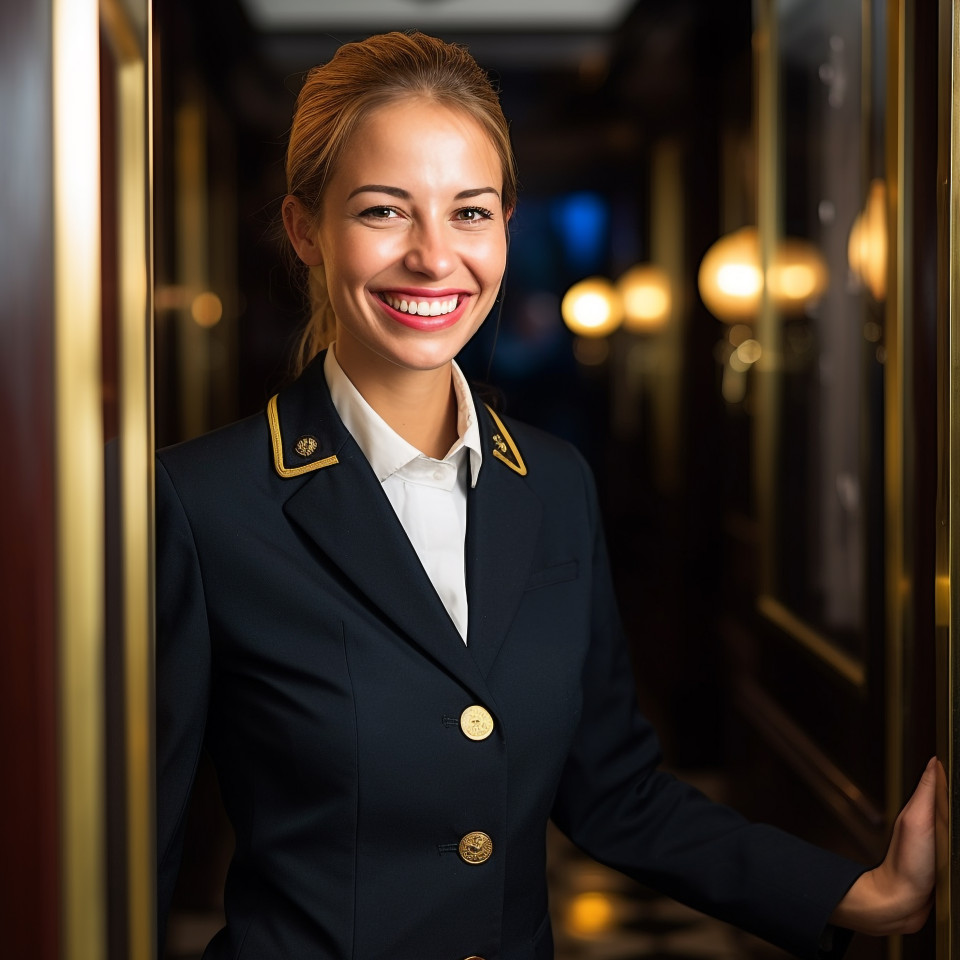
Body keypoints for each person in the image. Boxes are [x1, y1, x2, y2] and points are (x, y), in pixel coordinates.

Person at [156, 30, 936, 960]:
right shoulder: (200, 504)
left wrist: (860, 890)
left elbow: (615, 793)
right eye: (383, 211)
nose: (434, 256)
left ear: (506, 230)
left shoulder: (555, 484)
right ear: (304, 230)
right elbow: (130, 845)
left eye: (471, 213)